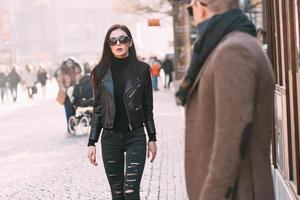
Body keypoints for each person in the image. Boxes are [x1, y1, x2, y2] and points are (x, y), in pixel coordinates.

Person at [179, 1, 275, 200]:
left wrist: (212, 195)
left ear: (200, 6)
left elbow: (231, 139)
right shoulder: (236, 44)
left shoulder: (232, 51)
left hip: (238, 192)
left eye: (190, 9)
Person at [87, 24, 157, 200]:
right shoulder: (99, 72)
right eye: (113, 40)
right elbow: (98, 109)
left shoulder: (142, 70)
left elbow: (148, 107)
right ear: (108, 45)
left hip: (135, 136)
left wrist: (152, 138)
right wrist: (91, 142)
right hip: (110, 138)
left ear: (130, 42)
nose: (118, 43)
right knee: (117, 195)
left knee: (131, 192)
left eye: (123, 39)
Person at [55, 58, 82, 133]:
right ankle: (70, 126)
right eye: (68, 63)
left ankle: (74, 123)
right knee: (68, 110)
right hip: (66, 93)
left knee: (75, 109)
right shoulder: (62, 71)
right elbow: (60, 83)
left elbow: (80, 79)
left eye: (71, 63)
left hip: (76, 91)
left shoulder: (77, 69)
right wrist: (66, 90)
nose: (69, 65)